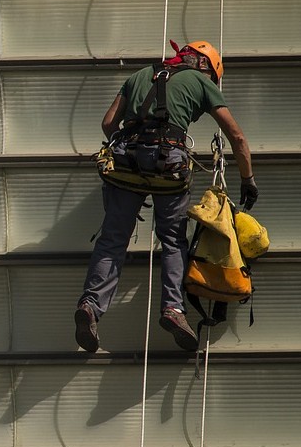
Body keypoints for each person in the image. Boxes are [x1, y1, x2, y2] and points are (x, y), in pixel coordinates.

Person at [74, 40, 258, 353]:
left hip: (125, 162)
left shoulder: (140, 74)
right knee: (173, 240)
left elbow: (108, 123)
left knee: (112, 240)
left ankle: (90, 306)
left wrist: (134, 151)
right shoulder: (200, 80)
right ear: (204, 65)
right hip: (168, 164)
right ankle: (172, 310)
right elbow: (236, 136)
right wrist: (247, 179)